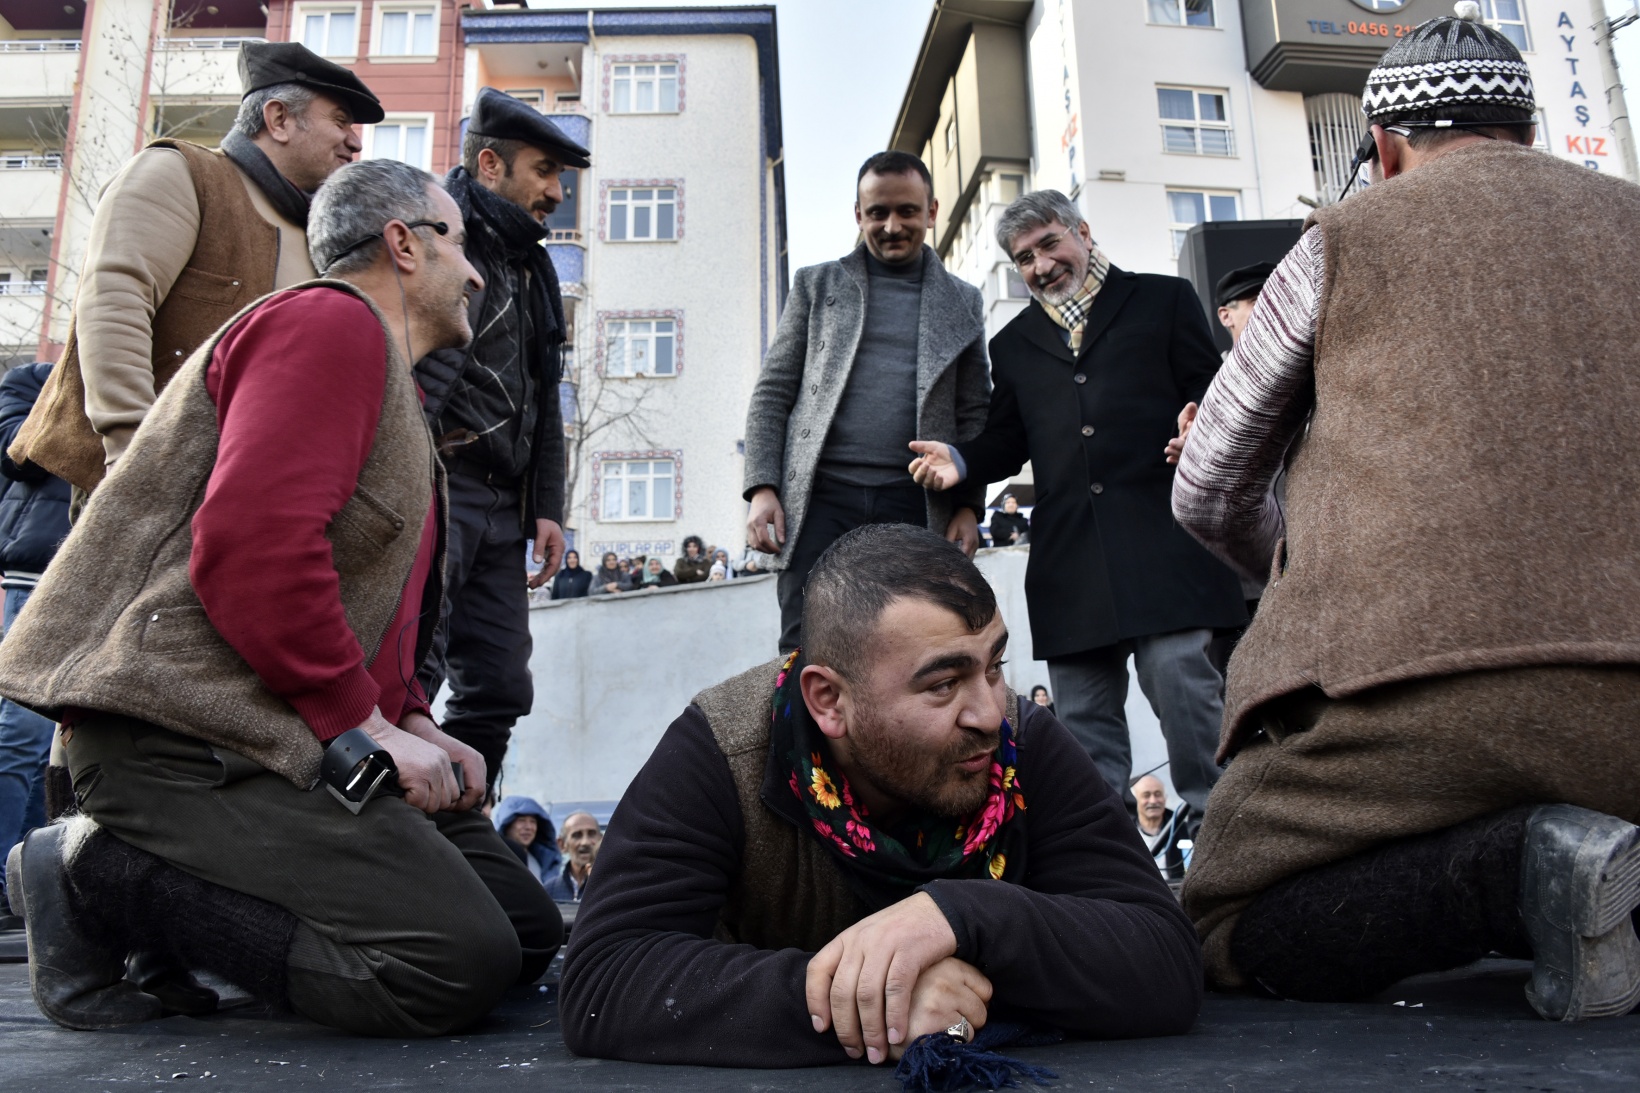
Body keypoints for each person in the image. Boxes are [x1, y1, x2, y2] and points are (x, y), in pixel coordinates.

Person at [0, 159, 561, 1034]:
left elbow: (366, 610)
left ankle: (183, 911)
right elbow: (253, 549)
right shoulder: (330, 324)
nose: (480, 271)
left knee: (523, 934)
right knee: (452, 961)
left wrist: (412, 719)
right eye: (458, 241)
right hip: (185, 736)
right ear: (402, 245)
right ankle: (93, 870)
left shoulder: (396, 399)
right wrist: (359, 724)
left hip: (279, 733)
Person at [1171, 9, 1640, 1021]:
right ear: (1526, 135)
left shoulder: (1337, 238)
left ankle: (1515, 870)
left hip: (1407, 701)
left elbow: (1206, 482)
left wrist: (1305, 571)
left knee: (1226, 919)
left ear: (1381, 149)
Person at [560, 524, 1201, 1067]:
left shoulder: (1024, 745)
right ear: (829, 701)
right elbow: (607, 977)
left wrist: (962, 914)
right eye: (943, 684)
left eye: (995, 666)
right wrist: (869, 1002)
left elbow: (1164, 961)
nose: (988, 712)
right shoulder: (721, 751)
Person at [908, 188, 1246, 824]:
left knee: (1185, 690)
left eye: (1048, 245)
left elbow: (1214, 390)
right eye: (1023, 258)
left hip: (1166, 544)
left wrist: (1204, 424)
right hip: (1072, 565)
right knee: (1087, 737)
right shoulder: (1011, 346)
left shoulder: (1163, 300)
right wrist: (963, 463)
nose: (1039, 266)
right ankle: (1111, 874)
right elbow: (1007, 438)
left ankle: (1226, 844)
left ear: (1082, 233)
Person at [9, 41, 381, 499]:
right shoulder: (180, 173)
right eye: (341, 120)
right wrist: (137, 459)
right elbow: (113, 306)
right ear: (279, 119)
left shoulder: (316, 236)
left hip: (248, 500)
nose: (355, 140)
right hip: (153, 490)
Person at [413, 87, 591, 799]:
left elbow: (544, 394)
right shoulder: (434, 236)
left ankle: (457, 819)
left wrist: (546, 504)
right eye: (544, 171)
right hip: (437, 483)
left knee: (500, 682)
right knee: (409, 669)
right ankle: (384, 828)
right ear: (490, 163)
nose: (554, 192)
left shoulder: (535, 264)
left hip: (501, 504)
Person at [743, 151, 992, 653]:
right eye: (878, 212)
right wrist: (762, 487)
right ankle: (803, 736)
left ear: (932, 211)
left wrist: (968, 505)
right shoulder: (816, 286)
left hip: (914, 501)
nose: (893, 225)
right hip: (819, 500)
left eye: (907, 211)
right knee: (806, 649)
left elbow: (974, 411)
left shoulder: (963, 300)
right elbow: (773, 391)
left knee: (908, 650)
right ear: (859, 215)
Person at [0, 364, 70, 925]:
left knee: (55, 743)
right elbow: (16, 454)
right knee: (19, 731)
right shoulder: (33, 381)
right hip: (31, 575)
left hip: (95, 577)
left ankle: (21, 881)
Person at [1133, 775, 1190, 881]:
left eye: (1158, 794)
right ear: (1135, 800)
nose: (1153, 801)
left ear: (1165, 798)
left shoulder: (1185, 831)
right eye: (1146, 795)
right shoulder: (1123, 833)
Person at [493, 796, 562, 885]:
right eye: (521, 820)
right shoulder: (495, 861)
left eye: (533, 821)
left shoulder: (540, 863)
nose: (528, 827)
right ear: (507, 825)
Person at [1213, 263, 1275, 351]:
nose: (1271, 309)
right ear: (1226, 317)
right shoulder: (1217, 365)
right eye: (1257, 302)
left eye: (1274, 302)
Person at [545, 811, 601, 902]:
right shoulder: (550, 890)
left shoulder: (610, 887)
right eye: (577, 835)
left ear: (601, 840)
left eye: (591, 834)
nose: (585, 842)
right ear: (562, 844)